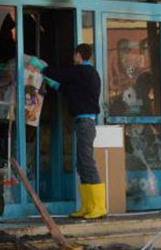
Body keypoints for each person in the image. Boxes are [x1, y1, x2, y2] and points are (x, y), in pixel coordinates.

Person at [30, 44, 105, 219]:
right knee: (81, 163)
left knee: (87, 162)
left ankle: (99, 207)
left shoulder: (82, 71)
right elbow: (69, 88)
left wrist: (44, 68)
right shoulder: (86, 74)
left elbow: (62, 76)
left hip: (86, 122)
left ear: (78, 55)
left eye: (74, 55)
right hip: (83, 122)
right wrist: (54, 85)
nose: (73, 58)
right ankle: (88, 206)